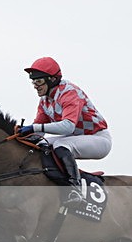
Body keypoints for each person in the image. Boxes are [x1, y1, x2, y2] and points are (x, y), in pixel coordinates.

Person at [16, 57, 111, 208]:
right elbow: (39, 134)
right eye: (33, 82)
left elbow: (68, 127)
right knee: (41, 145)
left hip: (98, 138)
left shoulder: (69, 92)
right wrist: (20, 135)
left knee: (61, 145)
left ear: (52, 79)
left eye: (39, 81)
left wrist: (35, 128)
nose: (35, 86)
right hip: (74, 138)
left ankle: (75, 189)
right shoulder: (45, 101)